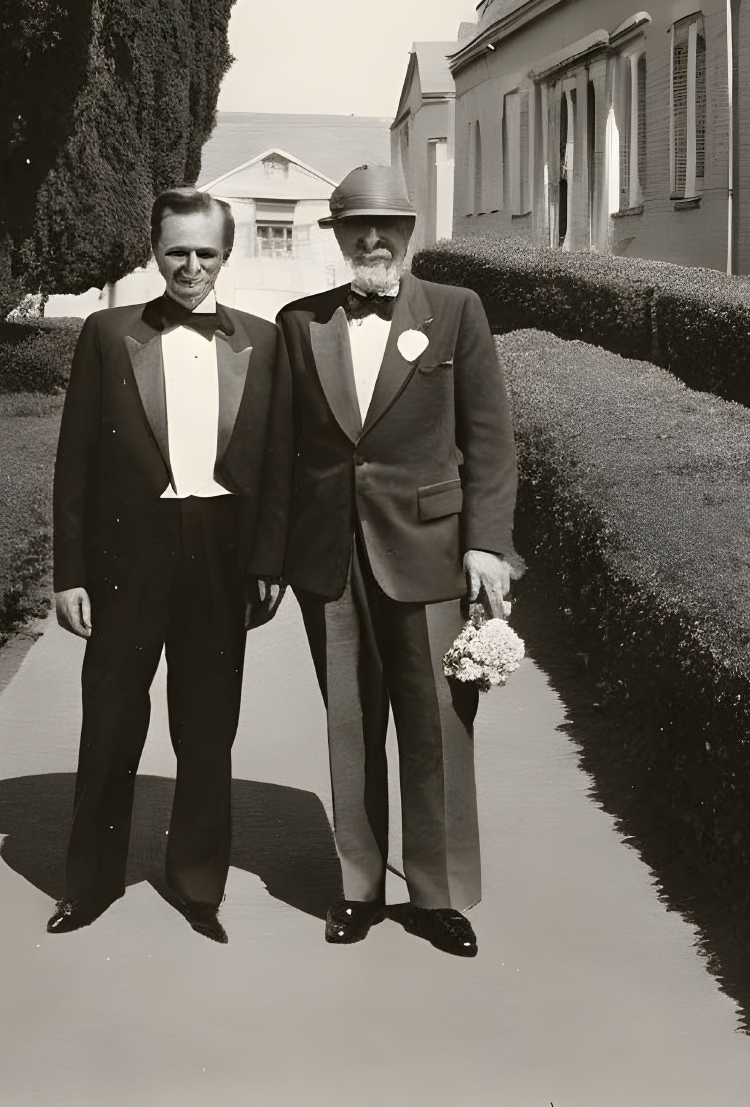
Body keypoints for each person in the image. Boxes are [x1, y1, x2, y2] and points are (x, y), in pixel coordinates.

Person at [252, 163, 519, 958]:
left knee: (438, 724)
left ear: (409, 233)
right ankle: (358, 886)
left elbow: (491, 442)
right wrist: (269, 557)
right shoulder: (298, 323)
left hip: (432, 552)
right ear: (336, 235)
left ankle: (435, 893)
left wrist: (486, 543)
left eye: (388, 226)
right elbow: (276, 452)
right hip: (328, 559)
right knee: (349, 722)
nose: (373, 238)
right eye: (357, 225)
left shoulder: (456, 312)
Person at [47, 187, 281, 943]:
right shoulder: (109, 333)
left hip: (221, 549)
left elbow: (278, 462)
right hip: (126, 553)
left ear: (225, 255)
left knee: (207, 725)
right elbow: (73, 461)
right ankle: (88, 884)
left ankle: (197, 884)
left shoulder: (263, 340)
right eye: (176, 250)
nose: (189, 266)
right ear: (155, 250)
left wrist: (267, 559)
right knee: (111, 719)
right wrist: (69, 571)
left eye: (204, 253)